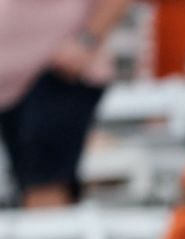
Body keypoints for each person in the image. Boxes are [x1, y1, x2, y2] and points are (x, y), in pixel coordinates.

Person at [0, 0, 120, 210]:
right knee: (28, 183)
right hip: (10, 82)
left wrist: (86, 40)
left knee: (45, 185)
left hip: (59, 70)